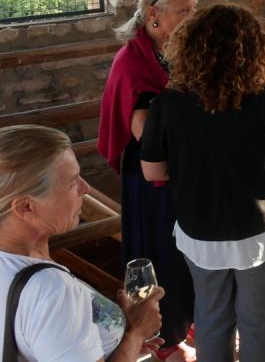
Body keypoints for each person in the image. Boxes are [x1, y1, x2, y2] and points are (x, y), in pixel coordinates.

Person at [140, 5, 265, 362]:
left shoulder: (167, 105)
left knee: (211, 320)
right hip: (262, 229)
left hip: (202, 230)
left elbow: (152, 172)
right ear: (254, 50)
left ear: (189, 49)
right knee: (258, 326)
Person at [96, 0, 197, 362]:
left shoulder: (178, 50)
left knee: (190, 253)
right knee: (159, 255)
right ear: (154, 13)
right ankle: (162, 341)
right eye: (183, 11)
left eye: (193, 9)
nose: (192, 17)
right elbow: (147, 134)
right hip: (153, 176)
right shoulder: (133, 61)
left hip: (184, 167)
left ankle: (191, 326)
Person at [0, 124, 164, 361]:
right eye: (72, 182)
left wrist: (115, 345)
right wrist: (135, 332)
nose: (85, 188)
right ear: (26, 207)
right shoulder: (51, 291)